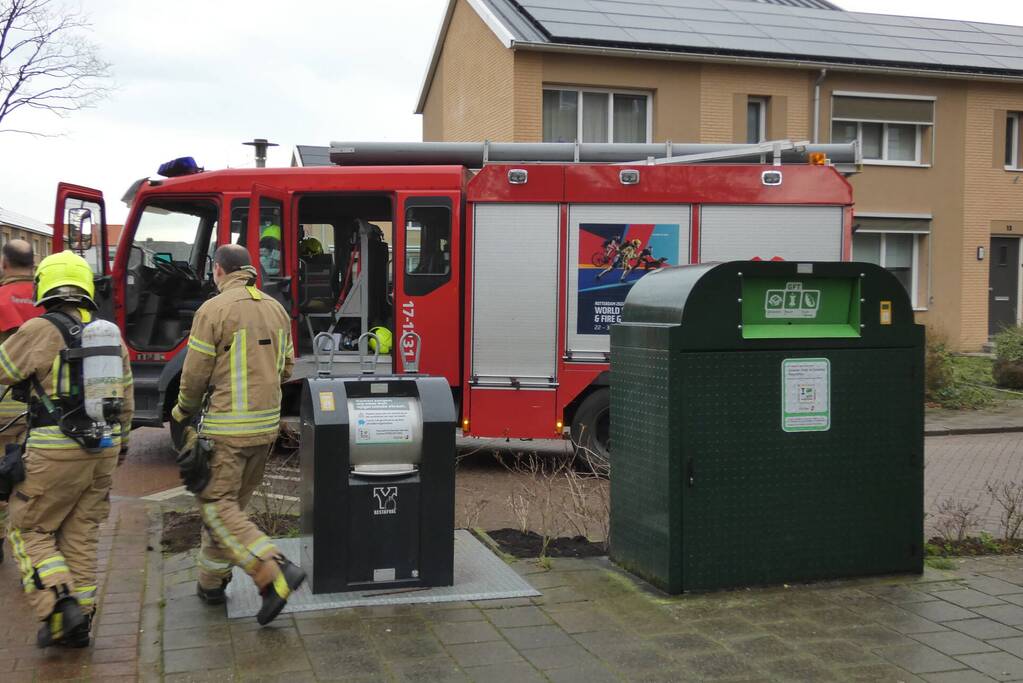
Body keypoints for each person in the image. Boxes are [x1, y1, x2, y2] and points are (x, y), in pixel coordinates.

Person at [1, 251, 133, 648]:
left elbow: (5, 371)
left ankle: (59, 606)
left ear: (47, 286)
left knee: (28, 530)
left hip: (52, 449)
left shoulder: (38, 329)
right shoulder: (109, 334)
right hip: (104, 449)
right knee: (81, 535)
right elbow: (125, 403)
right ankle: (81, 622)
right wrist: (120, 447)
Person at [171, 244, 304, 625]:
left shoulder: (212, 310)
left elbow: (195, 374)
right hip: (265, 430)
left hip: (227, 431)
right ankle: (211, 583)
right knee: (230, 509)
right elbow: (286, 368)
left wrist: (182, 411)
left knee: (216, 507)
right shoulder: (276, 309)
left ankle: (271, 569)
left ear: (218, 270)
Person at [0, 240, 43, 565]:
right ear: (33, 263)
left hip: (3, 407)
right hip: (44, 409)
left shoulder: (0, 299)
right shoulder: (48, 300)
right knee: (33, 476)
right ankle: (36, 541)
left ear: (4, 264)